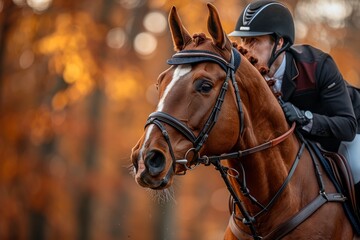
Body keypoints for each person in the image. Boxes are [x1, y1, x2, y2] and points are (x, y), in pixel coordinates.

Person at [228, 0, 360, 194]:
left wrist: (304, 117)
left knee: (357, 167)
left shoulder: (317, 65)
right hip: (302, 144)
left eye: (254, 40)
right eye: (243, 41)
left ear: (279, 42)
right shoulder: (248, 79)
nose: (245, 49)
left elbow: (347, 127)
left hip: (349, 131)